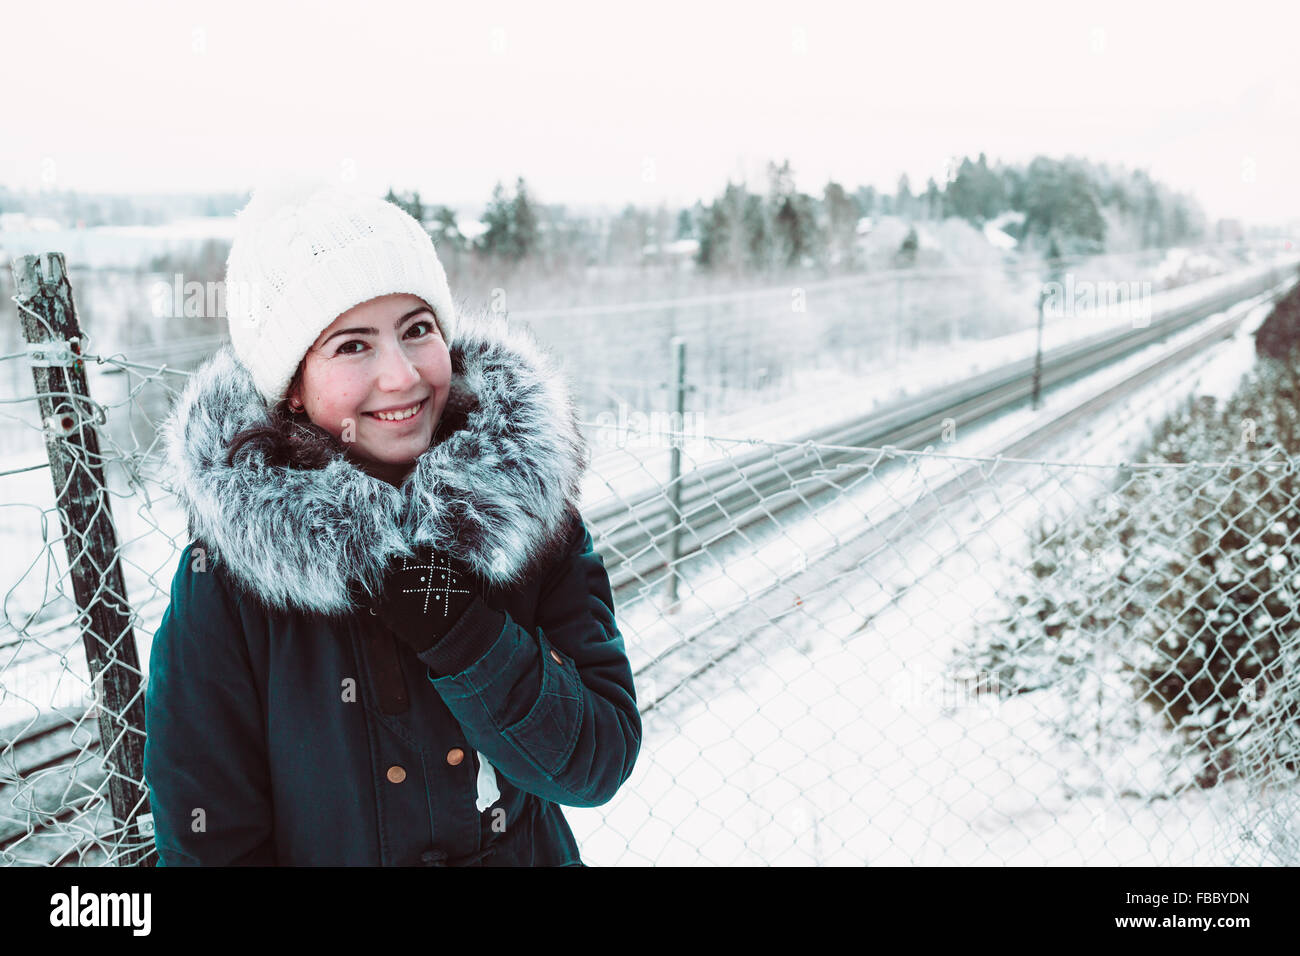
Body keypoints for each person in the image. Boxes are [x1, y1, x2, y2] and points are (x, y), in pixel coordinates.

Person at [142, 176, 641, 866]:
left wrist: (468, 639)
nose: (403, 376)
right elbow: (211, 844)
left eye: (417, 330)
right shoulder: (228, 581)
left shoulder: (527, 516)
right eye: (353, 345)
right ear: (290, 385)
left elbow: (597, 761)